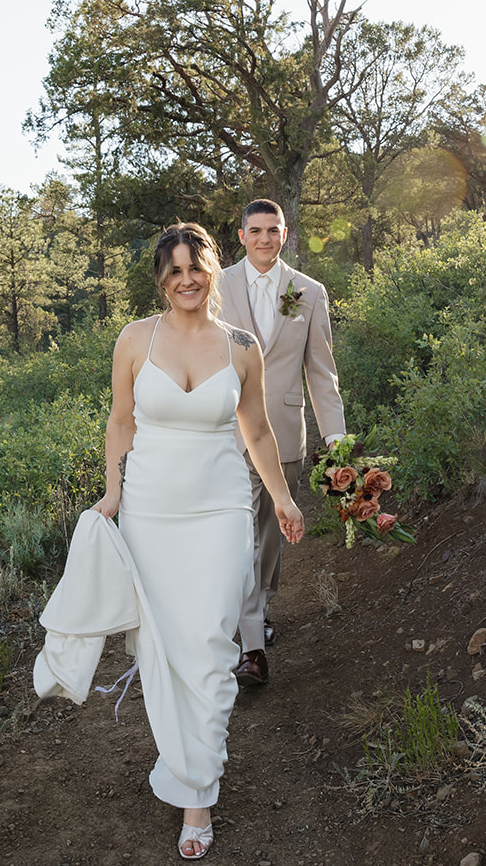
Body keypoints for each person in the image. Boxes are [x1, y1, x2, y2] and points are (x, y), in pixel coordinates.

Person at [90, 222, 304, 861]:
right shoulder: (133, 340)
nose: (187, 280)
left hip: (221, 507)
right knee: (164, 646)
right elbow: (120, 422)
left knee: (211, 642)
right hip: (150, 511)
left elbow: (259, 433)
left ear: (214, 269)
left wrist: (285, 498)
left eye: (197, 267)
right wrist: (112, 492)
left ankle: (197, 794)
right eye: (174, 270)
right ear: (161, 279)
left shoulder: (242, 347)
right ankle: (183, 758)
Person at [217, 199, 346, 686]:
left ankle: (256, 613)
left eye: (273, 230)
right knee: (239, 536)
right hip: (226, 433)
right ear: (242, 234)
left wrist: (337, 441)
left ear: (285, 234)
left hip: (285, 433)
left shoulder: (309, 293)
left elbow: (321, 371)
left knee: (268, 540)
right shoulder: (218, 285)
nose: (265, 238)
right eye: (256, 230)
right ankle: (252, 648)